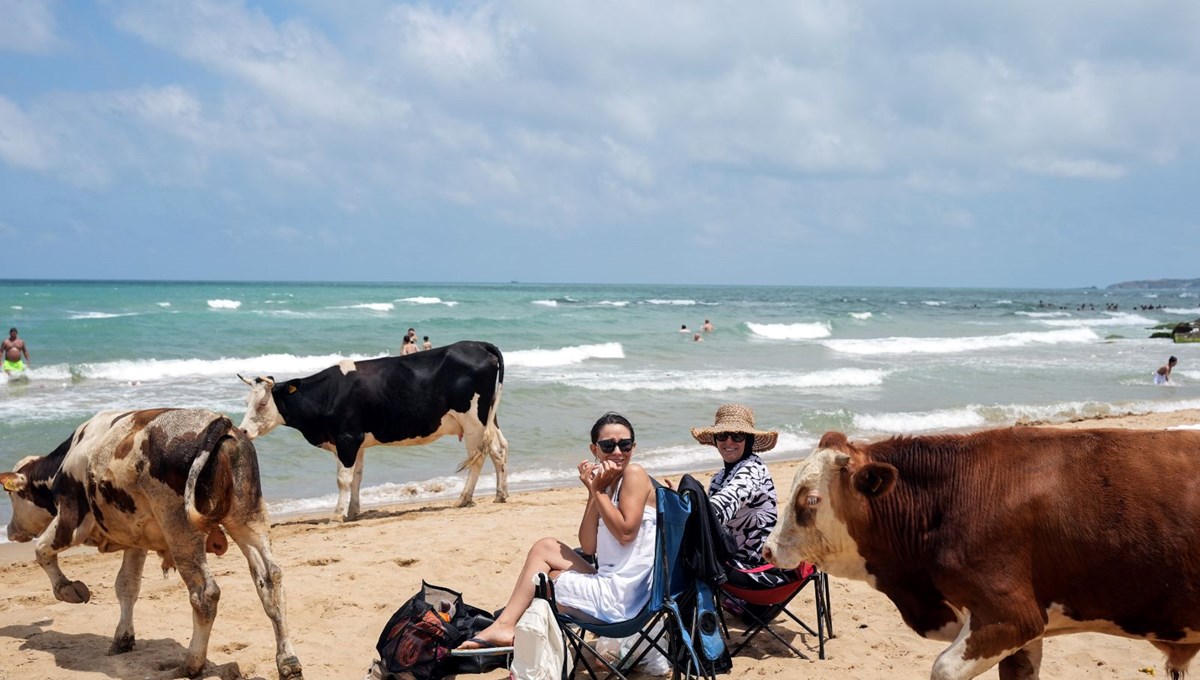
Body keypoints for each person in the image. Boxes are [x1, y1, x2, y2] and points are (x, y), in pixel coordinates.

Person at [456, 412, 657, 650]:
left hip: (624, 599)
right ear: (594, 449)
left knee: (544, 581)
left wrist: (599, 491)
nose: (617, 452)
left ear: (633, 447)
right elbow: (589, 545)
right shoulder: (608, 484)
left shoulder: (634, 474)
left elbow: (625, 534)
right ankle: (505, 624)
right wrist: (594, 492)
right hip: (616, 583)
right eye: (608, 445)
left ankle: (507, 626)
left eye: (624, 445)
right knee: (546, 547)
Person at [690, 404, 792, 591]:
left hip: (758, 568)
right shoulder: (719, 478)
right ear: (715, 439)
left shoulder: (753, 469)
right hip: (732, 560)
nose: (729, 442)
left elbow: (725, 503)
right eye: (722, 435)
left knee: (689, 558)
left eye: (737, 436)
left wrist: (689, 509)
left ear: (749, 440)